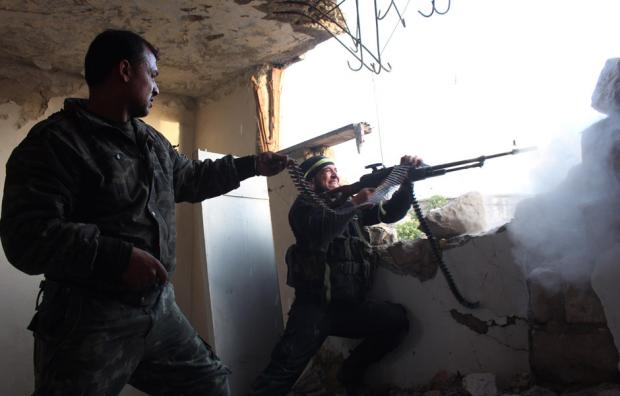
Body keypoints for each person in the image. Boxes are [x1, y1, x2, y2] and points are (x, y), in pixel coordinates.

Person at [0, 29, 289, 396]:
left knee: (210, 384)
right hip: (89, 320)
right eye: (151, 74)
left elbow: (192, 179)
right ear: (124, 71)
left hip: (158, 308)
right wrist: (116, 258)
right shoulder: (55, 142)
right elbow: (26, 235)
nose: (156, 87)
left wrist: (252, 164)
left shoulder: (150, 141)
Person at [248, 154, 421, 396]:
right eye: (327, 171)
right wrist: (355, 203)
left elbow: (389, 213)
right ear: (310, 183)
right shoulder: (304, 207)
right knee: (282, 370)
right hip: (313, 309)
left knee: (396, 321)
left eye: (336, 169)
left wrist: (406, 182)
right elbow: (321, 232)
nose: (335, 174)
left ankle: (349, 374)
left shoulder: (349, 207)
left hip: (348, 308)